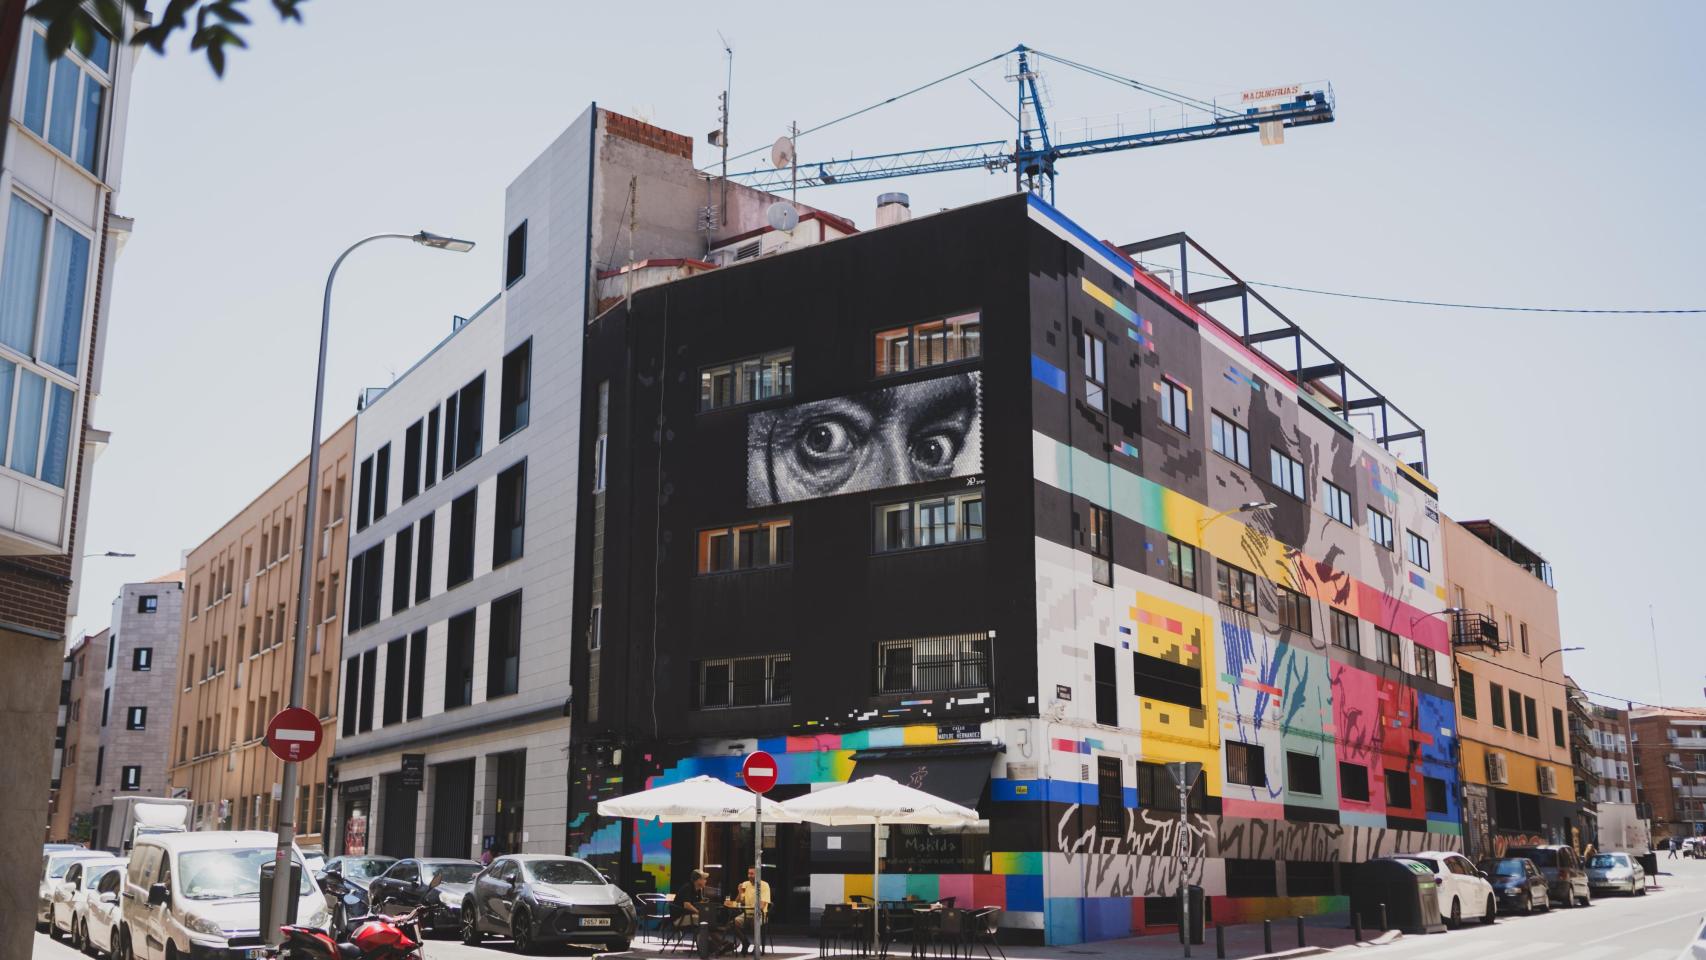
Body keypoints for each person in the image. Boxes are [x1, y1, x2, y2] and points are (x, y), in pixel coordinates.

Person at [732, 867, 772, 955]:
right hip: (746, 913)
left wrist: (752, 909)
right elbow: (739, 902)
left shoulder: (764, 885)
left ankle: (756, 947)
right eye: (749, 873)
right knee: (733, 922)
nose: (749, 876)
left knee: (755, 922)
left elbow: (762, 905)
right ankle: (745, 942)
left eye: (752, 874)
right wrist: (739, 892)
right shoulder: (745, 884)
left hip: (760, 914)